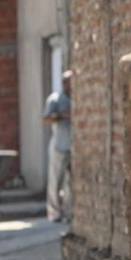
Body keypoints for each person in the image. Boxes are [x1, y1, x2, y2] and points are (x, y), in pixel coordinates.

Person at [44, 70, 73, 222]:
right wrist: (62, 115)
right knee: (56, 181)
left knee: (70, 182)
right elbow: (47, 119)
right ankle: (54, 212)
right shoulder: (55, 99)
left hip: (73, 147)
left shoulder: (76, 98)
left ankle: (68, 212)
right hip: (59, 145)